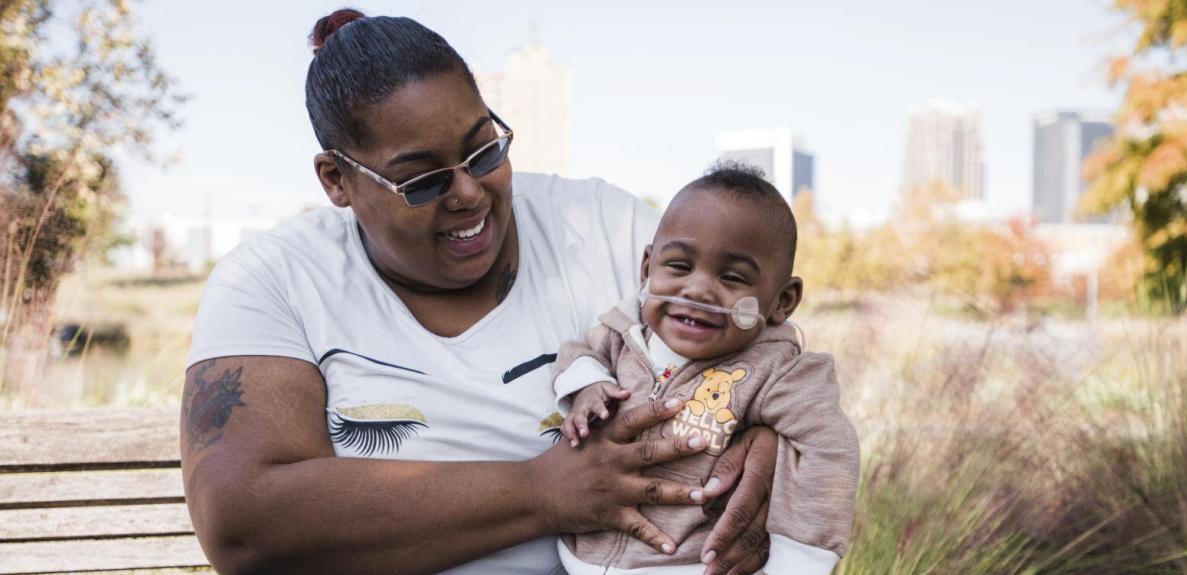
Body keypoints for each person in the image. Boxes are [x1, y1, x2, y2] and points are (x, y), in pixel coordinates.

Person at [180, 9, 783, 575]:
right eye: (422, 179)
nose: (469, 192)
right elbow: (243, 522)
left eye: (484, 149)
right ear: (337, 180)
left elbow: (764, 332)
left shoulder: (604, 227)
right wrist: (543, 493)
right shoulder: (273, 280)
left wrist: (766, 438)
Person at [553, 165, 860, 575]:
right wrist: (588, 384)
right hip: (581, 557)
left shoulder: (778, 373)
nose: (697, 290)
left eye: (732, 277)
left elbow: (830, 449)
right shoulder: (622, 332)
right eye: (679, 266)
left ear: (783, 301)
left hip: (685, 564)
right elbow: (576, 352)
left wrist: (797, 562)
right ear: (647, 269)